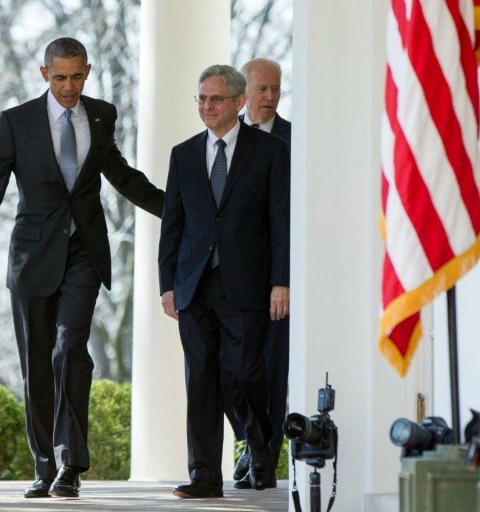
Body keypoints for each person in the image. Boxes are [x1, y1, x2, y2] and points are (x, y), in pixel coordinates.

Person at [0, 37, 164, 499]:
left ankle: (70, 464)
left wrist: (175, 208)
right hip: (32, 258)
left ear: (87, 71)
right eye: (59, 78)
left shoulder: (102, 115)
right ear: (44, 74)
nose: (69, 87)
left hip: (83, 252)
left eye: (76, 76)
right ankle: (44, 465)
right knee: (37, 365)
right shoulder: (16, 122)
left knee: (70, 348)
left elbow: (120, 173)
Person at [158, 64, 290, 498]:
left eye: (215, 99)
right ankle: (204, 476)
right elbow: (173, 224)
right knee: (200, 379)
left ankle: (259, 446)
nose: (207, 106)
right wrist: (167, 284)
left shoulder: (270, 151)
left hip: (248, 284)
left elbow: (280, 221)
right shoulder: (183, 154)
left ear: (238, 102)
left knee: (243, 375)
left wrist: (281, 281)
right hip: (194, 285)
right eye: (201, 98)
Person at [228, 57, 292, 490]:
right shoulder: (226, 140)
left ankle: (263, 454)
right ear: (242, 94)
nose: (269, 97)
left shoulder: (295, 140)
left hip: (276, 277)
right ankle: (252, 444)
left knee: (271, 370)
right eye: (261, 89)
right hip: (230, 278)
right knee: (228, 371)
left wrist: (282, 279)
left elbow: (289, 217)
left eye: (276, 89)